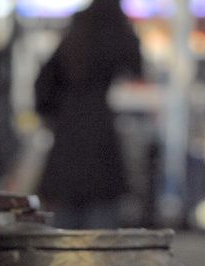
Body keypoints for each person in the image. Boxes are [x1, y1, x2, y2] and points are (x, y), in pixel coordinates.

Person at [34, 0, 142, 229]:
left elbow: (43, 85)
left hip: (67, 139)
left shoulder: (77, 28)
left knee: (63, 237)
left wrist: (54, 116)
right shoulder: (116, 26)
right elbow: (136, 67)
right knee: (101, 237)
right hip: (101, 139)